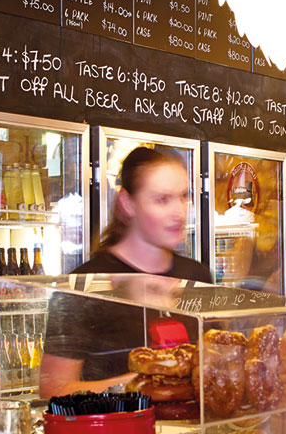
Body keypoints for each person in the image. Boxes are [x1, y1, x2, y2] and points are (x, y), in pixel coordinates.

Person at [38, 146, 213, 398]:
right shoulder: (86, 286)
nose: (179, 212)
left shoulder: (197, 276)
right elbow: (53, 391)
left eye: (184, 196)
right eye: (162, 199)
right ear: (127, 203)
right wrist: (144, 383)